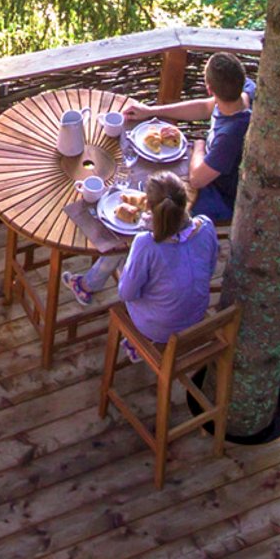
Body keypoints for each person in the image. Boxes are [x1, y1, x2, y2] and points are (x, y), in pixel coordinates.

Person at [64, 173, 216, 358]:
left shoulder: (146, 243)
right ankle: (88, 284)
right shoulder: (206, 225)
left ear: (150, 209)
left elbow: (125, 294)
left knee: (121, 249)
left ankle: (88, 288)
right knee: (141, 262)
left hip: (157, 328)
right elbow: (210, 269)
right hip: (195, 316)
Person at [122, 51, 255, 225]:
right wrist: (151, 111)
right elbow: (205, 107)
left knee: (156, 203)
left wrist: (198, 145)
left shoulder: (231, 135)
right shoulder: (243, 91)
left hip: (220, 197)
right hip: (206, 170)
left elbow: (197, 180)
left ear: (209, 88)